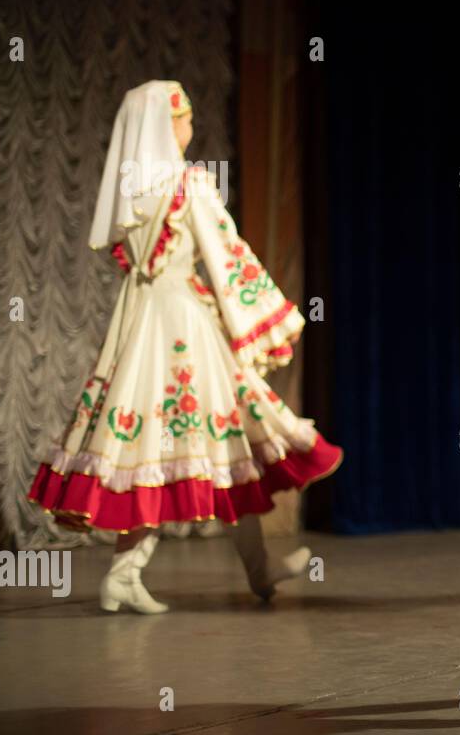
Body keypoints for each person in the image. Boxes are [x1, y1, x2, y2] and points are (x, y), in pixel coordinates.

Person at [28, 80, 342, 613]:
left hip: (139, 323)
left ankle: (244, 568)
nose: (190, 126)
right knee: (202, 442)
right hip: (184, 327)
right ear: (167, 124)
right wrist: (265, 317)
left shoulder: (132, 191)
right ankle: (134, 570)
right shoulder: (187, 184)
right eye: (185, 116)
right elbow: (226, 256)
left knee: (192, 445)